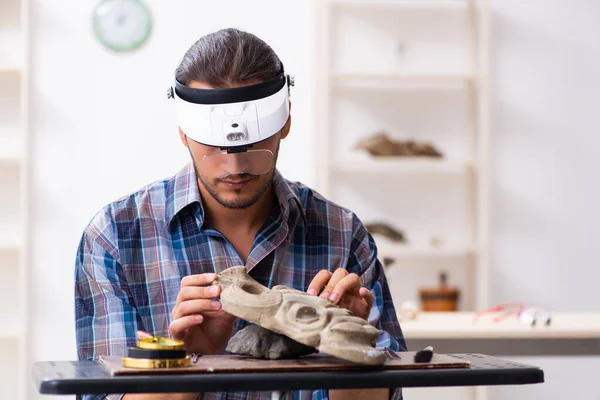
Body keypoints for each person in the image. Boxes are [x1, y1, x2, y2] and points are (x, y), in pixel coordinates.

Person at [74, 28, 406, 400]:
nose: (234, 165)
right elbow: (100, 394)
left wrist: (348, 348)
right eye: (214, 146)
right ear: (184, 131)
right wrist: (186, 364)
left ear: (285, 121)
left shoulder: (342, 234)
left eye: (253, 146)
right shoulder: (116, 236)